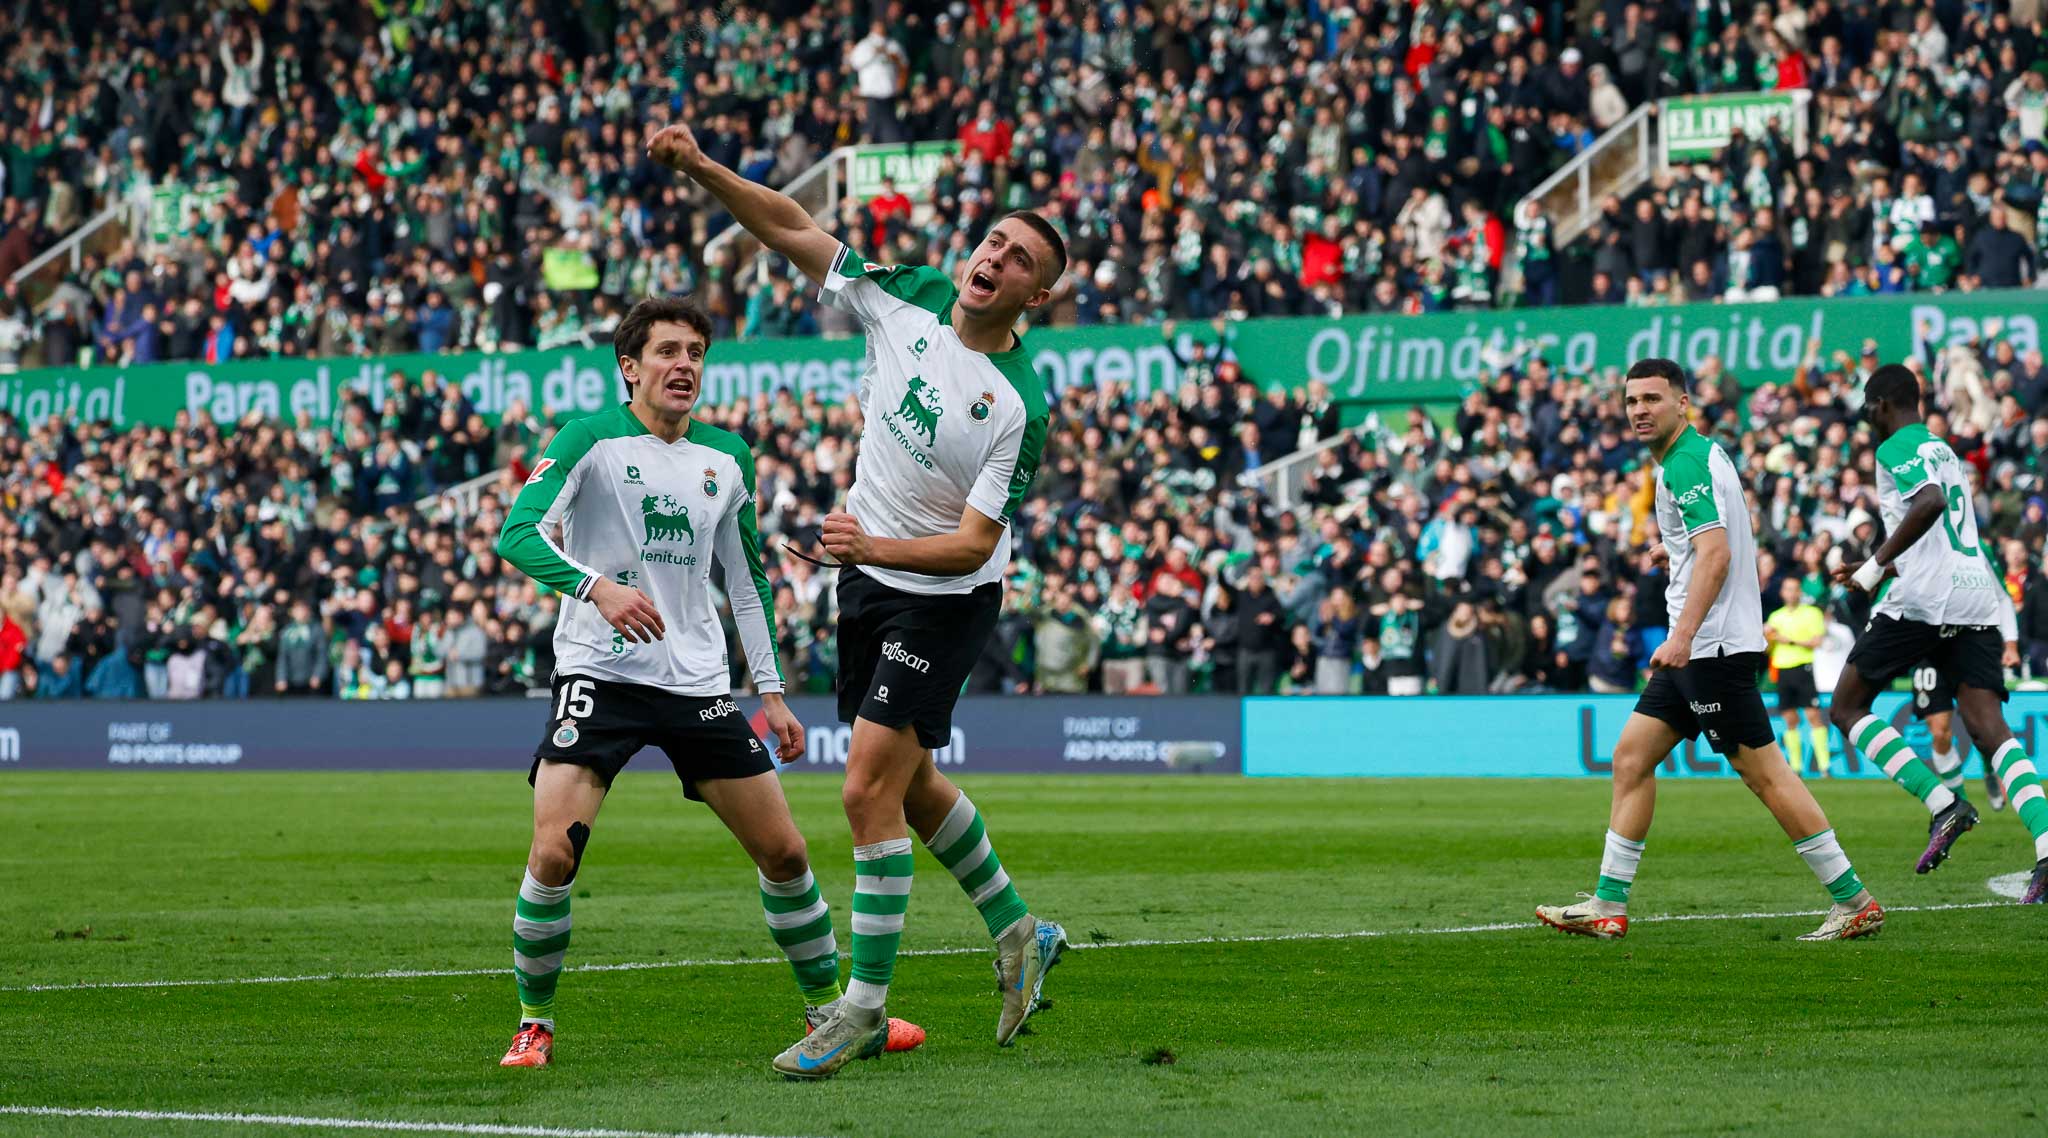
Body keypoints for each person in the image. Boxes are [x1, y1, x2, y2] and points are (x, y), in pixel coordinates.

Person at [647, 121, 1066, 1079]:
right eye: (993, 241)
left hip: (944, 598)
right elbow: (791, 226)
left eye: (1019, 260)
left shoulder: (1017, 404)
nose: (994, 258)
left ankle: (863, 1010)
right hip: (867, 583)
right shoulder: (907, 294)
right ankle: (1019, 930)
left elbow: (973, 542)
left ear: (1036, 296)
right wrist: (707, 166)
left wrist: (874, 543)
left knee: (863, 788)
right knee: (909, 788)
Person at [490, 297, 925, 1070]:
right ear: (630, 368)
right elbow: (516, 533)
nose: (684, 364)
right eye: (667, 351)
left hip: (698, 684)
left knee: (787, 852)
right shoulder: (588, 438)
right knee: (554, 854)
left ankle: (835, 1015)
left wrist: (773, 691)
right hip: (600, 672)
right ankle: (534, 1023)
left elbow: (747, 581)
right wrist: (599, 590)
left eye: (695, 351)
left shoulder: (726, 457)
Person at [1536, 359, 1883, 942]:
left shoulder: (1685, 463)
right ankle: (1608, 904)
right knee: (1630, 759)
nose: (1640, 410)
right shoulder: (1702, 454)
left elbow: (1718, 554)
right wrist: (1674, 555)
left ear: (1683, 403)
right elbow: (1714, 544)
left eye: (1652, 398)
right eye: (1632, 400)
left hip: (1708, 650)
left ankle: (1854, 900)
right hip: (1701, 647)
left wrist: (1681, 635)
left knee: (1766, 776)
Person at [1828, 365, 2047, 903]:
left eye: (1868, 410)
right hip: (1975, 593)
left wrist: (1876, 568)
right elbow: (1940, 536)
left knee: (1848, 707)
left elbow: (1929, 503)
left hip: (1925, 602)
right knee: (1990, 729)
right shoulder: (1944, 450)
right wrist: (1880, 563)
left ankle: (1944, 803)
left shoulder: (1894, 447)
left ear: (1881, 405)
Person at [1763, 577, 1832, 777]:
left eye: (1795, 589)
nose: (1791, 593)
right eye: (1788, 589)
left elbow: (1816, 641)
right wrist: (1766, 637)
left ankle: (1824, 766)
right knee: (1789, 719)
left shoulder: (1812, 613)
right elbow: (1768, 650)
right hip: (1782, 669)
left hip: (1803, 667)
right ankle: (1795, 767)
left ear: (1800, 592)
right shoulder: (1775, 617)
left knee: (1813, 715)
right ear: (1782, 593)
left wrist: (1789, 641)